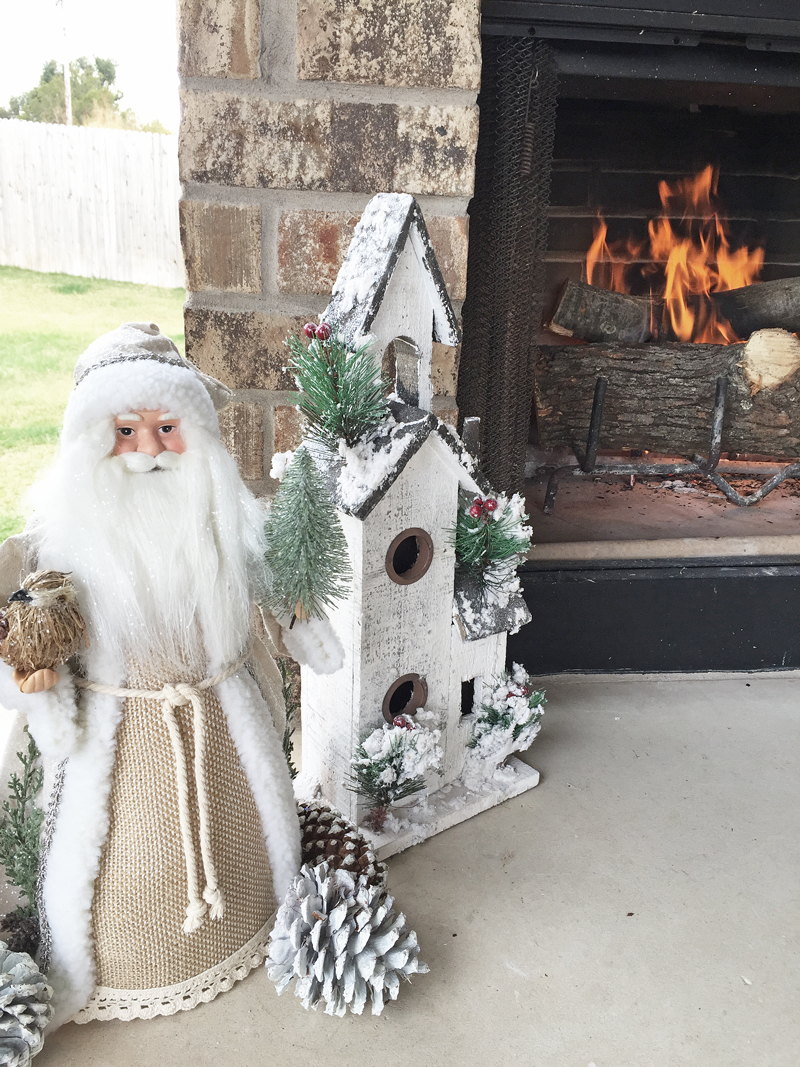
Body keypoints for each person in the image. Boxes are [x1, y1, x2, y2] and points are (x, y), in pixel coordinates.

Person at [0, 323, 300, 1027]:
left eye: (167, 428)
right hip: (117, 740)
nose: (147, 453)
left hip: (220, 725)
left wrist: (303, 622)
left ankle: (259, 920)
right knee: (114, 882)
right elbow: (32, 634)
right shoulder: (62, 547)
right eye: (124, 433)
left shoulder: (221, 527)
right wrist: (37, 681)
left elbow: (279, 587)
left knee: (246, 839)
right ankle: (124, 965)